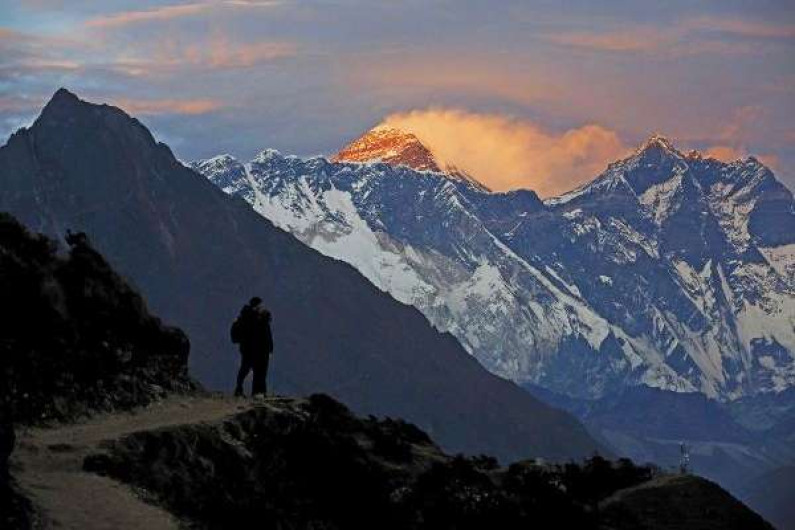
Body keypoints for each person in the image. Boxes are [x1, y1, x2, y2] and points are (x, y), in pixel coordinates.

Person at [231, 297, 273, 397]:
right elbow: (267, 335)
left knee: (246, 369)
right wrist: (270, 348)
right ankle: (258, 393)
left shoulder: (246, 316)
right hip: (259, 350)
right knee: (260, 371)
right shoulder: (260, 317)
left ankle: (240, 389)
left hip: (248, 349)